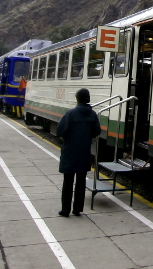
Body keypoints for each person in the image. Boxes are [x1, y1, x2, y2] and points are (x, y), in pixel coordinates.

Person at [57, 88, 101, 217]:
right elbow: (97, 131)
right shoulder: (92, 114)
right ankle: (77, 209)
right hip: (84, 152)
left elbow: (60, 131)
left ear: (77, 99)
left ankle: (65, 210)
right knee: (81, 181)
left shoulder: (71, 113)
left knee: (68, 181)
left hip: (70, 152)